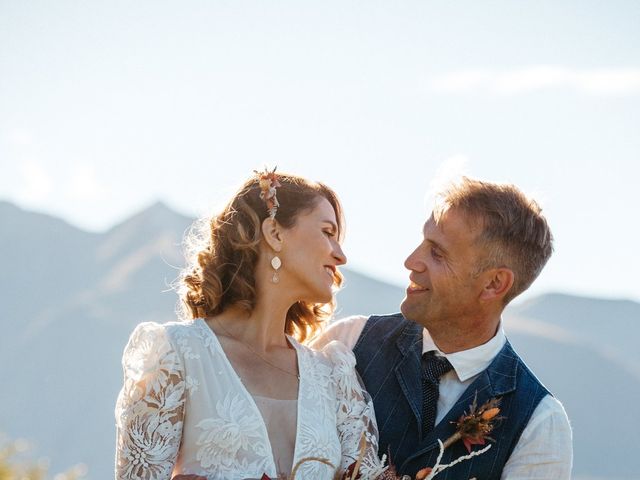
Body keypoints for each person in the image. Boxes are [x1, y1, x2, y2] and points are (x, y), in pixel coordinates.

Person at [114, 170, 384, 480]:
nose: (341, 256)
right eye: (327, 232)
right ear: (275, 233)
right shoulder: (176, 356)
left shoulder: (335, 377)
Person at [312, 177, 573, 479]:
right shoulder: (347, 342)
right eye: (423, 242)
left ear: (493, 283)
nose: (411, 261)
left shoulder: (539, 422)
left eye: (437, 253)